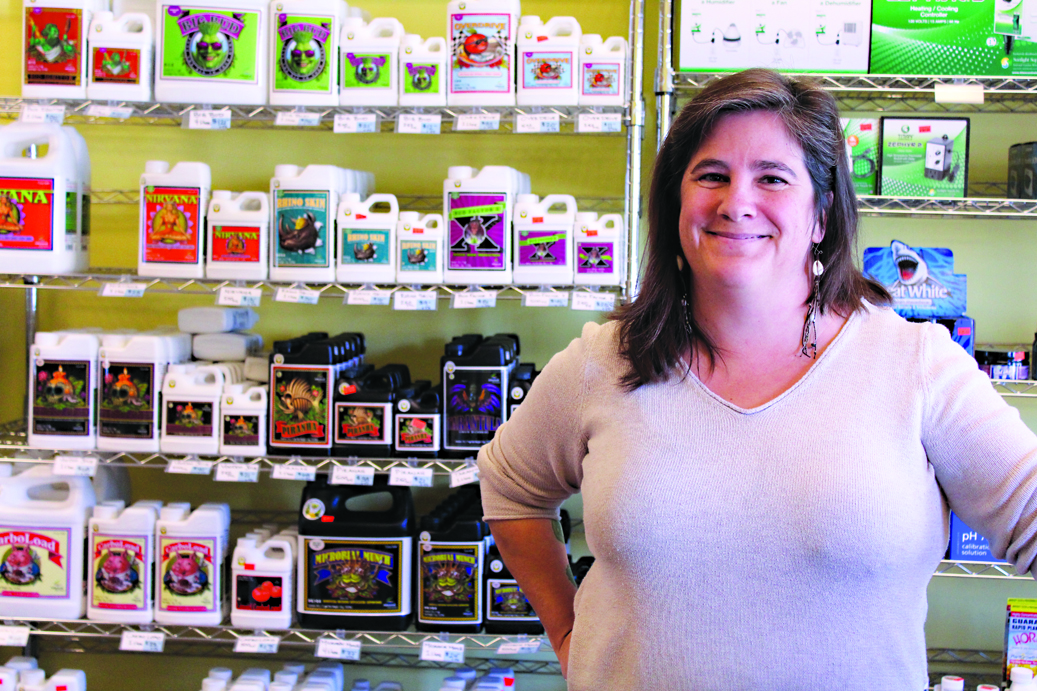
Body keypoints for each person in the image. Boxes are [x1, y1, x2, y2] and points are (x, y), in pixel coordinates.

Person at [477, 68, 1037, 689]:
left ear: (822, 215)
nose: (735, 201)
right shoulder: (605, 361)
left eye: (772, 177)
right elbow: (510, 486)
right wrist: (567, 632)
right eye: (711, 175)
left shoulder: (915, 364)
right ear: (676, 204)